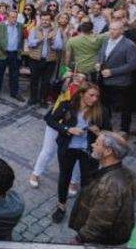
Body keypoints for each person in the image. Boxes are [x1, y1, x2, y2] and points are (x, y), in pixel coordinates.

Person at [46, 82, 111, 223]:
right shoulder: (67, 106)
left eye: (96, 96)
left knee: (87, 181)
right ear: (82, 94)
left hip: (88, 150)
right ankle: (61, 206)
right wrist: (67, 129)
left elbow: (108, 131)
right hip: (67, 148)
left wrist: (98, 132)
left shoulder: (102, 111)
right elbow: (50, 120)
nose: (94, 99)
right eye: (91, 95)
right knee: (65, 176)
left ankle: (83, 208)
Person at [68, 132, 136, 245]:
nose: (92, 145)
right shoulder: (128, 174)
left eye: (96, 143)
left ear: (108, 152)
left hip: (103, 240)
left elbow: (100, 221)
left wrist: (79, 238)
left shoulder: (111, 185)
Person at [96, 21, 136, 132]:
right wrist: (98, 62)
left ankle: (124, 129)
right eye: (110, 29)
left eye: (115, 29)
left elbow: (133, 64)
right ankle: (106, 125)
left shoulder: (129, 45)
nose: (111, 31)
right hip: (104, 80)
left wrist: (112, 72)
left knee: (124, 108)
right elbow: (101, 54)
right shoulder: (106, 40)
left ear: (122, 30)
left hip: (121, 82)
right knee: (104, 105)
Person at [23, 13, 64, 106]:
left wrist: (52, 41)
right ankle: (33, 98)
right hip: (35, 59)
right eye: (43, 19)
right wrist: (39, 40)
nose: (45, 22)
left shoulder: (56, 31)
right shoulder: (34, 29)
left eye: (47, 20)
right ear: (40, 20)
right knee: (34, 80)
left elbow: (59, 46)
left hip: (50, 60)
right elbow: (30, 43)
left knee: (46, 81)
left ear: (50, 21)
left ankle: (42, 99)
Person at [0, 10, 24, 101]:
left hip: (14, 54)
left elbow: (21, 38)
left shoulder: (20, 26)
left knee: (14, 75)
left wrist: (20, 49)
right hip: (2, 53)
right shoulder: (0, 26)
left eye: (16, 17)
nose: (15, 19)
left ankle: (14, 93)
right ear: (7, 17)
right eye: (13, 17)